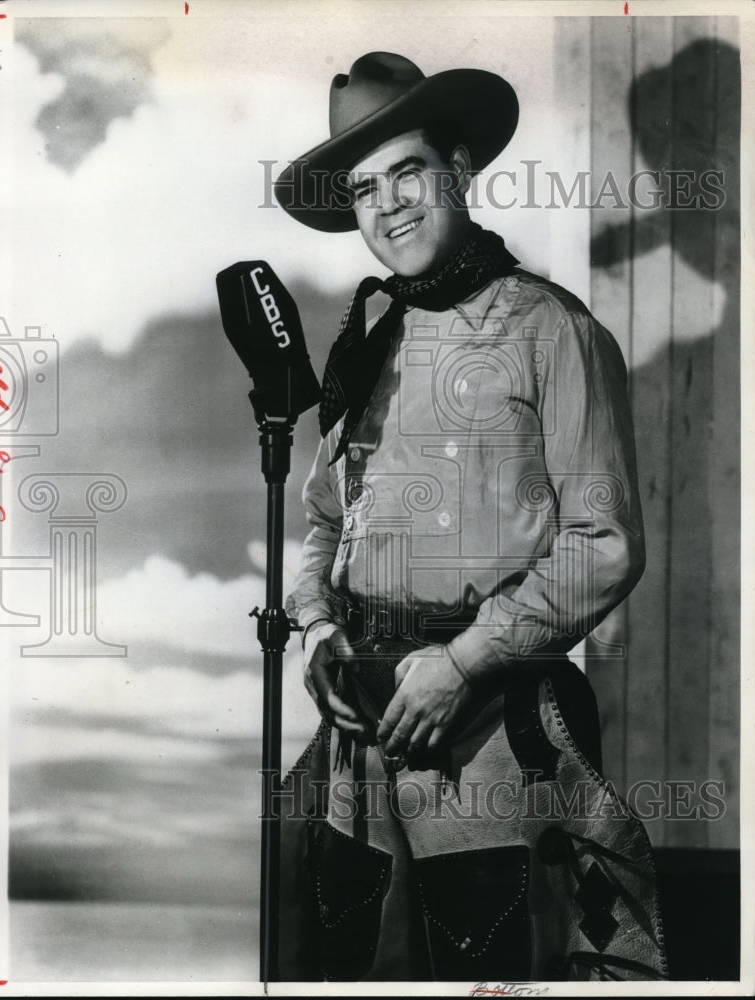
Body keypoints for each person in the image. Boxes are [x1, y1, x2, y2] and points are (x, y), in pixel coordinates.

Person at [275, 51, 667, 983]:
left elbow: (603, 544)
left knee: (489, 961)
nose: (390, 204)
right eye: (365, 188)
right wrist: (318, 627)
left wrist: (463, 661)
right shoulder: (367, 349)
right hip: (358, 740)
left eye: (408, 171)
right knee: (343, 959)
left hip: (492, 727)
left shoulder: (552, 332)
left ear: (458, 166)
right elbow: (325, 521)